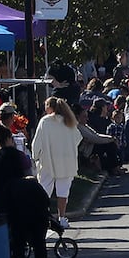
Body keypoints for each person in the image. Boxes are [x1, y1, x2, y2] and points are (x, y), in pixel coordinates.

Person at [31, 97, 81, 228]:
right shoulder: (69, 121)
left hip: (48, 160)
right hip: (66, 161)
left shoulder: (45, 121)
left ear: (49, 107)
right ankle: (62, 218)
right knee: (63, 192)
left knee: (44, 191)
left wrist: (35, 156)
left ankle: (41, 217)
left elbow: (37, 142)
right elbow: (77, 138)